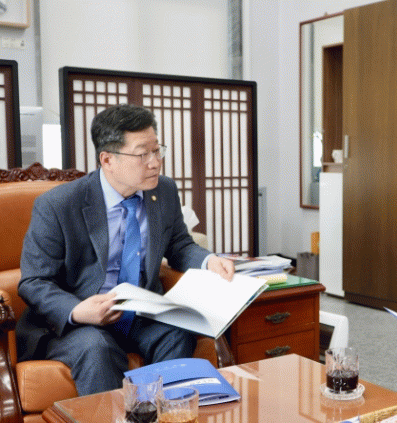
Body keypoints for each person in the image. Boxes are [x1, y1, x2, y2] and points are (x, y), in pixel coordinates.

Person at [16, 104, 235, 396]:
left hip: (140, 312)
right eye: (143, 154)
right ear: (107, 159)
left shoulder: (163, 191)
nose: (155, 163)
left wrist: (209, 261)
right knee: (97, 348)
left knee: (177, 333)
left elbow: (179, 244)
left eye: (157, 150)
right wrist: (77, 310)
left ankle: (168, 412)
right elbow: (34, 281)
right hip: (80, 319)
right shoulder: (58, 205)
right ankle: (116, 416)